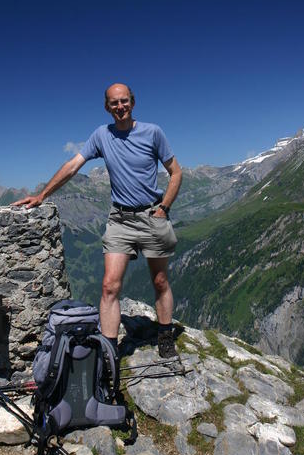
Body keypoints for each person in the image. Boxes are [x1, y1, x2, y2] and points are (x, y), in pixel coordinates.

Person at [13, 83, 182, 359]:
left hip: (152, 215)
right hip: (120, 219)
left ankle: (165, 336)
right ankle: (109, 351)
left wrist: (164, 207)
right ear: (107, 107)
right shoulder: (101, 135)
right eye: (114, 103)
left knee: (160, 280)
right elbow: (72, 166)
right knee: (109, 286)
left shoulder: (153, 132)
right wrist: (42, 195)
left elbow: (176, 172)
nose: (120, 107)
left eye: (124, 101)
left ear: (133, 102)